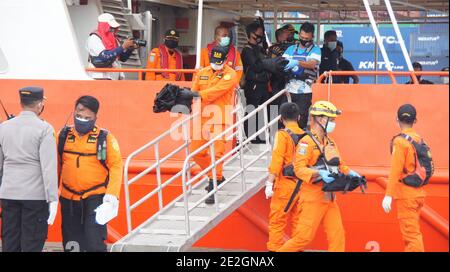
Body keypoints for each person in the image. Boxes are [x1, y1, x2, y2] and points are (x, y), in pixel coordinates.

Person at [277, 101, 361, 252]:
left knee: (338, 236)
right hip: (312, 199)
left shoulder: (330, 142)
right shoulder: (306, 143)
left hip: (329, 199)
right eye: (332, 120)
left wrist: (351, 173)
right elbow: (299, 169)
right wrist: (318, 173)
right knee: (303, 239)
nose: (334, 123)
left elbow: (340, 165)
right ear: (322, 119)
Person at [58, 96, 123, 252]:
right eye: (79, 116)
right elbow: (56, 164)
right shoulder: (63, 135)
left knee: (94, 241)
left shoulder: (105, 138)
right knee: (71, 243)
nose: (82, 120)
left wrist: (112, 195)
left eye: (87, 118)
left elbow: (116, 165)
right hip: (68, 198)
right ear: (74, 113)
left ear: (95, 118)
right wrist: (51, 193)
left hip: (95, 198)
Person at [0, 86, 58, 252]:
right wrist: (52, 199)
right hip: (34, 197)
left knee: (10, 242)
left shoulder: (4, 127)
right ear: (40, 104)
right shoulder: (45, 129)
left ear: (21, 102)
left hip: (8, 194)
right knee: (31, 243)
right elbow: (48, 168)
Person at [190, 46, 238, 204]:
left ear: (225, 61)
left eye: (219, 62)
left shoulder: (230, 74)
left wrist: (198, 95)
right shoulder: (202, 73)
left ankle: (213, 185)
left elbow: (217, 91)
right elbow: (193, 91)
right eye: (213, 61)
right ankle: (215, 176)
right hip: (202, 118)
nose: (215, 64)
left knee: (216, 154)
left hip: (220, 118)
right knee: (196, 153)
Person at [382, 104, 428, 252]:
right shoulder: (419, 139)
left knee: (411, 236)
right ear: (415, 120)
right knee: (413, 234)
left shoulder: (400, 142)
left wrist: (388, 195)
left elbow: (395, 170)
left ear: (397, 119)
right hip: (418, 193)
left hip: (406, 196)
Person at [265, 103, 305, 252]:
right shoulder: (306, 136)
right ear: (299, 117)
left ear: (281, 119)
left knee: (277, 221)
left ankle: (274, 250)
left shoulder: (282, 135)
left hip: (285, 185)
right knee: (298, 221)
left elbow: (277, 159)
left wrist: (269, 182)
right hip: (303, 185)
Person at [241, 22, 281, 143]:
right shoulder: (247, 50)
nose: (259, 37)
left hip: (264, 84)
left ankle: (261, 135)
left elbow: (266, 64)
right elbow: (257, 66)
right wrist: (271, 60)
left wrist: (270, 59)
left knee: (262, 111)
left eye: (261, 35)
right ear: (250, 34)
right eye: (257, 35)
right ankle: (251, 137)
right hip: (253, 85)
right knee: (252, 110)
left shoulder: (260, 49)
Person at [282, 22, 322, 129]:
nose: (304, 40)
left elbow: (312, 63)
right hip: (289, 89)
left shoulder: (315, 50)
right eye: (302, 37)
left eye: (307, 38)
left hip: (305, 91)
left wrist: (297, 62)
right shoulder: (291, 49)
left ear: (312, 37)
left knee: (301, 119)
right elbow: (282, 62)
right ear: (299, 34)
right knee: (286, 119)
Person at [86, 13, 138, 80]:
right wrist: (123, 47)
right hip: (99, 76)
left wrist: (130, 49)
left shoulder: (114, 39)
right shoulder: (94, 38)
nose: (113, 30)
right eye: (111, 27)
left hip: (114, 76)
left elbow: (122, 58)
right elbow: (104, 56)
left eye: (114, 28)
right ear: (104, 26)